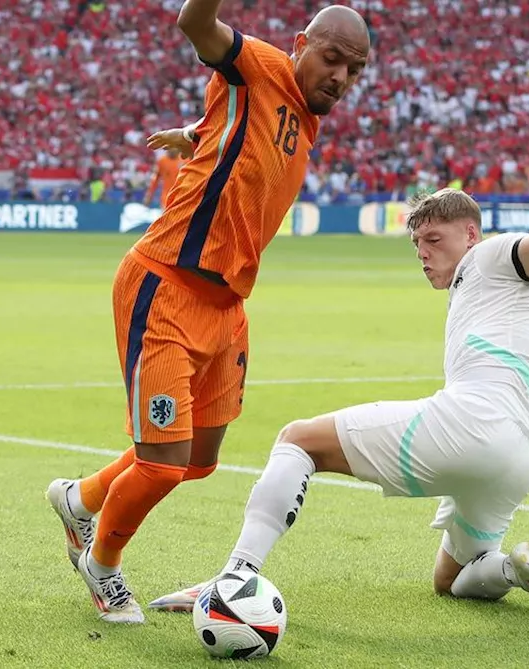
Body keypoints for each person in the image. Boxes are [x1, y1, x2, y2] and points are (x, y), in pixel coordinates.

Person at [150, 127, 529, 616]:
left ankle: (234, 578)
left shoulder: (493, 256)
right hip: (525, 453)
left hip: (474, 425)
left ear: (471, 233)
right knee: (450, 581)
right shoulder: (483, 286)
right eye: (416, 244)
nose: (423, 253)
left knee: (298, 439)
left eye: (433, 239)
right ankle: (518, 566)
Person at [44, 2, 370, 624]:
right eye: (332, 59)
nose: (341, 78)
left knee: (197, 460)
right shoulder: (259, 64)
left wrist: (196, 133)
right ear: (302, 43)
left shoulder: (304, 117)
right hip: (164, 286)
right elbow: (196, 26)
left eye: (355, 71)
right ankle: (103, 565)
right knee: (161, 465)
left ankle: (80, 500)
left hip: (226, 307)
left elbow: (247, 142)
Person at [144, 144, 191, 208]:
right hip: (166, 198)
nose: (172, 149)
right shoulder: (161, 161)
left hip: (182, 197)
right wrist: (149, 195)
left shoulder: (185, 160)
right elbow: (155, 179)